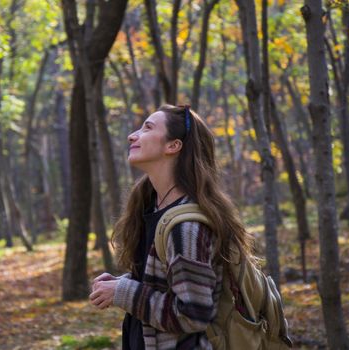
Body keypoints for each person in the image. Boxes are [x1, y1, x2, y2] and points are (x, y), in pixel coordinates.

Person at [89, 104, 254, 349]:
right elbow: (171, 284)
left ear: (173, 146)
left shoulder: (186, 228)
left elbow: (193, 313)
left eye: (147, 128)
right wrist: (122, 283)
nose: (132, 135)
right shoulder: (152, 207)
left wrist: (123, 292)